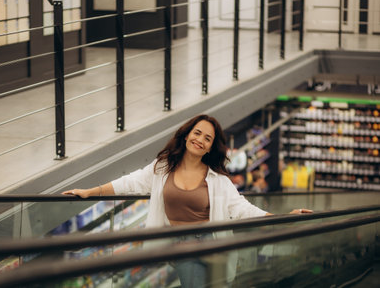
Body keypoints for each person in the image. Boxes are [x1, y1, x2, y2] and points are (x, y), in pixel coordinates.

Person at [63, 114, 312, 287]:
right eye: (197, 133)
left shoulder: (217, 179)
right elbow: (131, 182)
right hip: (181, 245)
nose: (200, 140)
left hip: (213, 243)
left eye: (207, 139)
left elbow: (241, 209)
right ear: (186, 135)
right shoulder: (162, 168)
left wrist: (285, 219)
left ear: (209, 148)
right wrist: (90, 192)